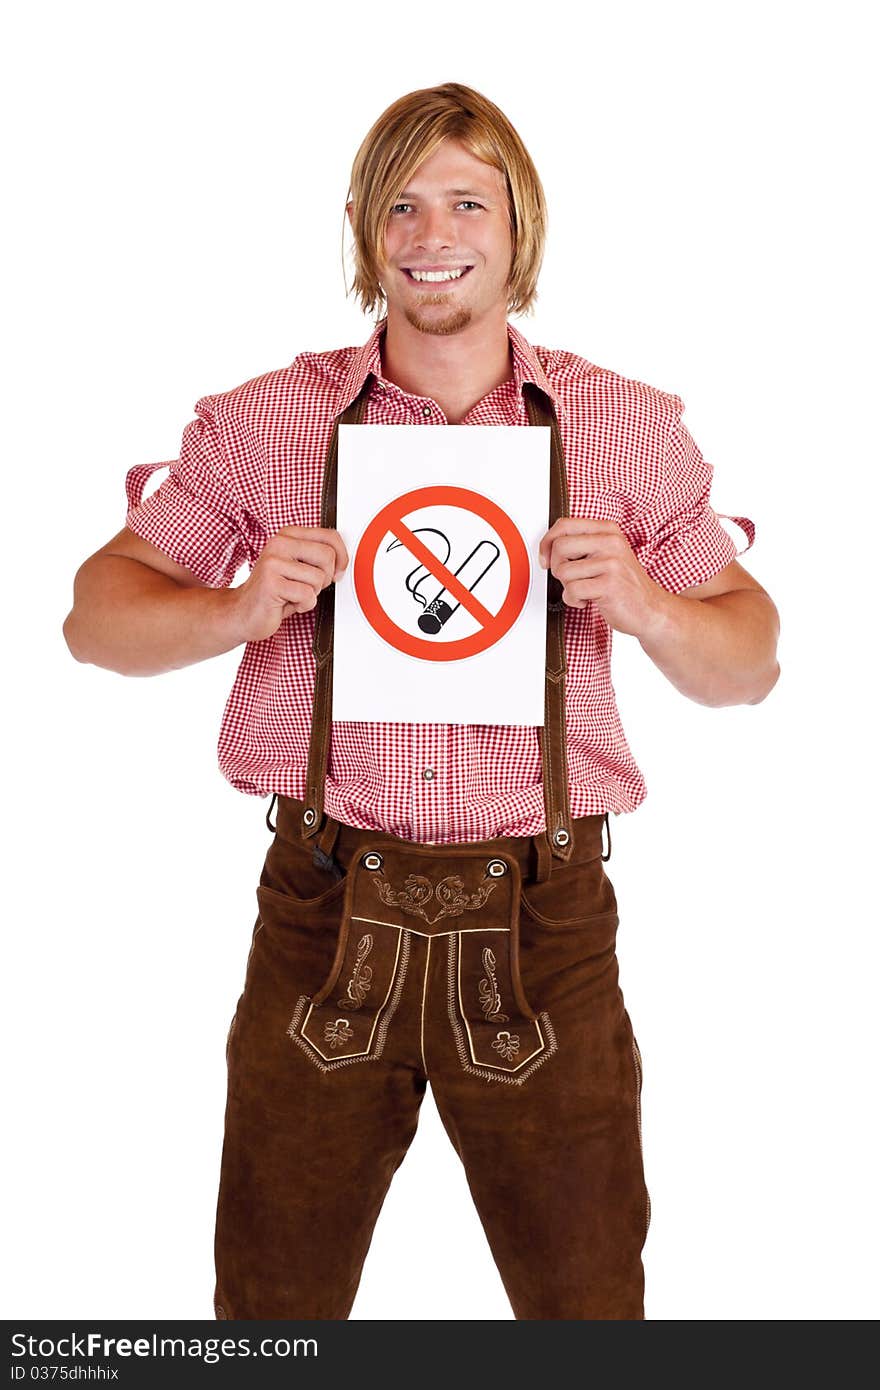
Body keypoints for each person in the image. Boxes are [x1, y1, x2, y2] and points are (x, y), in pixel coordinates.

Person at [62, 81, 780, 1321]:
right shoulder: (267, 421)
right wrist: (234, 608)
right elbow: (95, 618)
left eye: (465, 200)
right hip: (323, 912)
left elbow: (751, 660)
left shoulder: (621, 425)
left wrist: (647, 604)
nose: (431, 232)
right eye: (400, 203)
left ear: (520, 223)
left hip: (546, 922)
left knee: (587, 1312)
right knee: (272, 1319)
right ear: (362, 226)